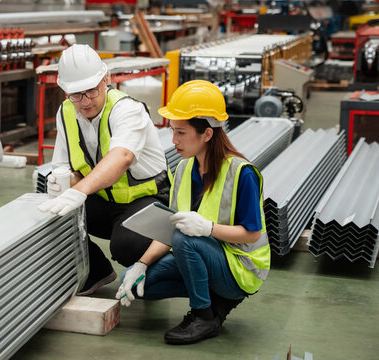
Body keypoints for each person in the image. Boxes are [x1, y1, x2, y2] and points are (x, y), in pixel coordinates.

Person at [114, 80, 271, 345]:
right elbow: (168, 228)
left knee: (185, 238)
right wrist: (141, 263)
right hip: (205, 259)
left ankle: (204, 315)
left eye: (181, 133)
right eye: (172, 131)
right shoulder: (184, 170)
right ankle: (215, 300)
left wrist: (208, 228)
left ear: (207, 134)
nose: (173, 140)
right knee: (136, 285)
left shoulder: (241, 173)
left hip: (240, 269)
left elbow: (252, 234)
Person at [37, 44, 171, 296]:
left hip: (148, 201)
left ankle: (155, 273)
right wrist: (64, 183)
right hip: (104, 200)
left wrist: (80, 190)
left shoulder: (126, 110)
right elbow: (66, 168)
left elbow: (122, 157)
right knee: (53, 215)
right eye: (76, 94)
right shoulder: (66, 112)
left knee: (127, 245)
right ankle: (96, 270)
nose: (84, 101)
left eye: (91, 91)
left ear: (106, 79)